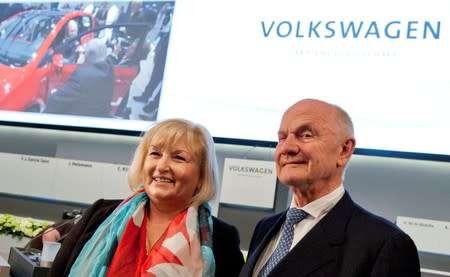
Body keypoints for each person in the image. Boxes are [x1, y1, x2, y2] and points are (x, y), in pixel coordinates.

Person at [239, 98, 421, 277]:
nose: (287, 147)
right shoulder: (265, 227)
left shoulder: (385, 244)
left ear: (344, 150)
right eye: (282, 137)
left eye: (306, 135)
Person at [49, 118, 245, 276]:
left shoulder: (222, 239)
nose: (162, 166)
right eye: (155, 154)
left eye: (179, 157)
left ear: (202, 176)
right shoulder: (100, 215)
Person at [44, 38, 114, 117]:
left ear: (88, 54)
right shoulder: (109, 70)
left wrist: (53, 93)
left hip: (80, 121)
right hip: (100, 117)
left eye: (84, 53)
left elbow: (56, 100)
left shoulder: (82, 75)